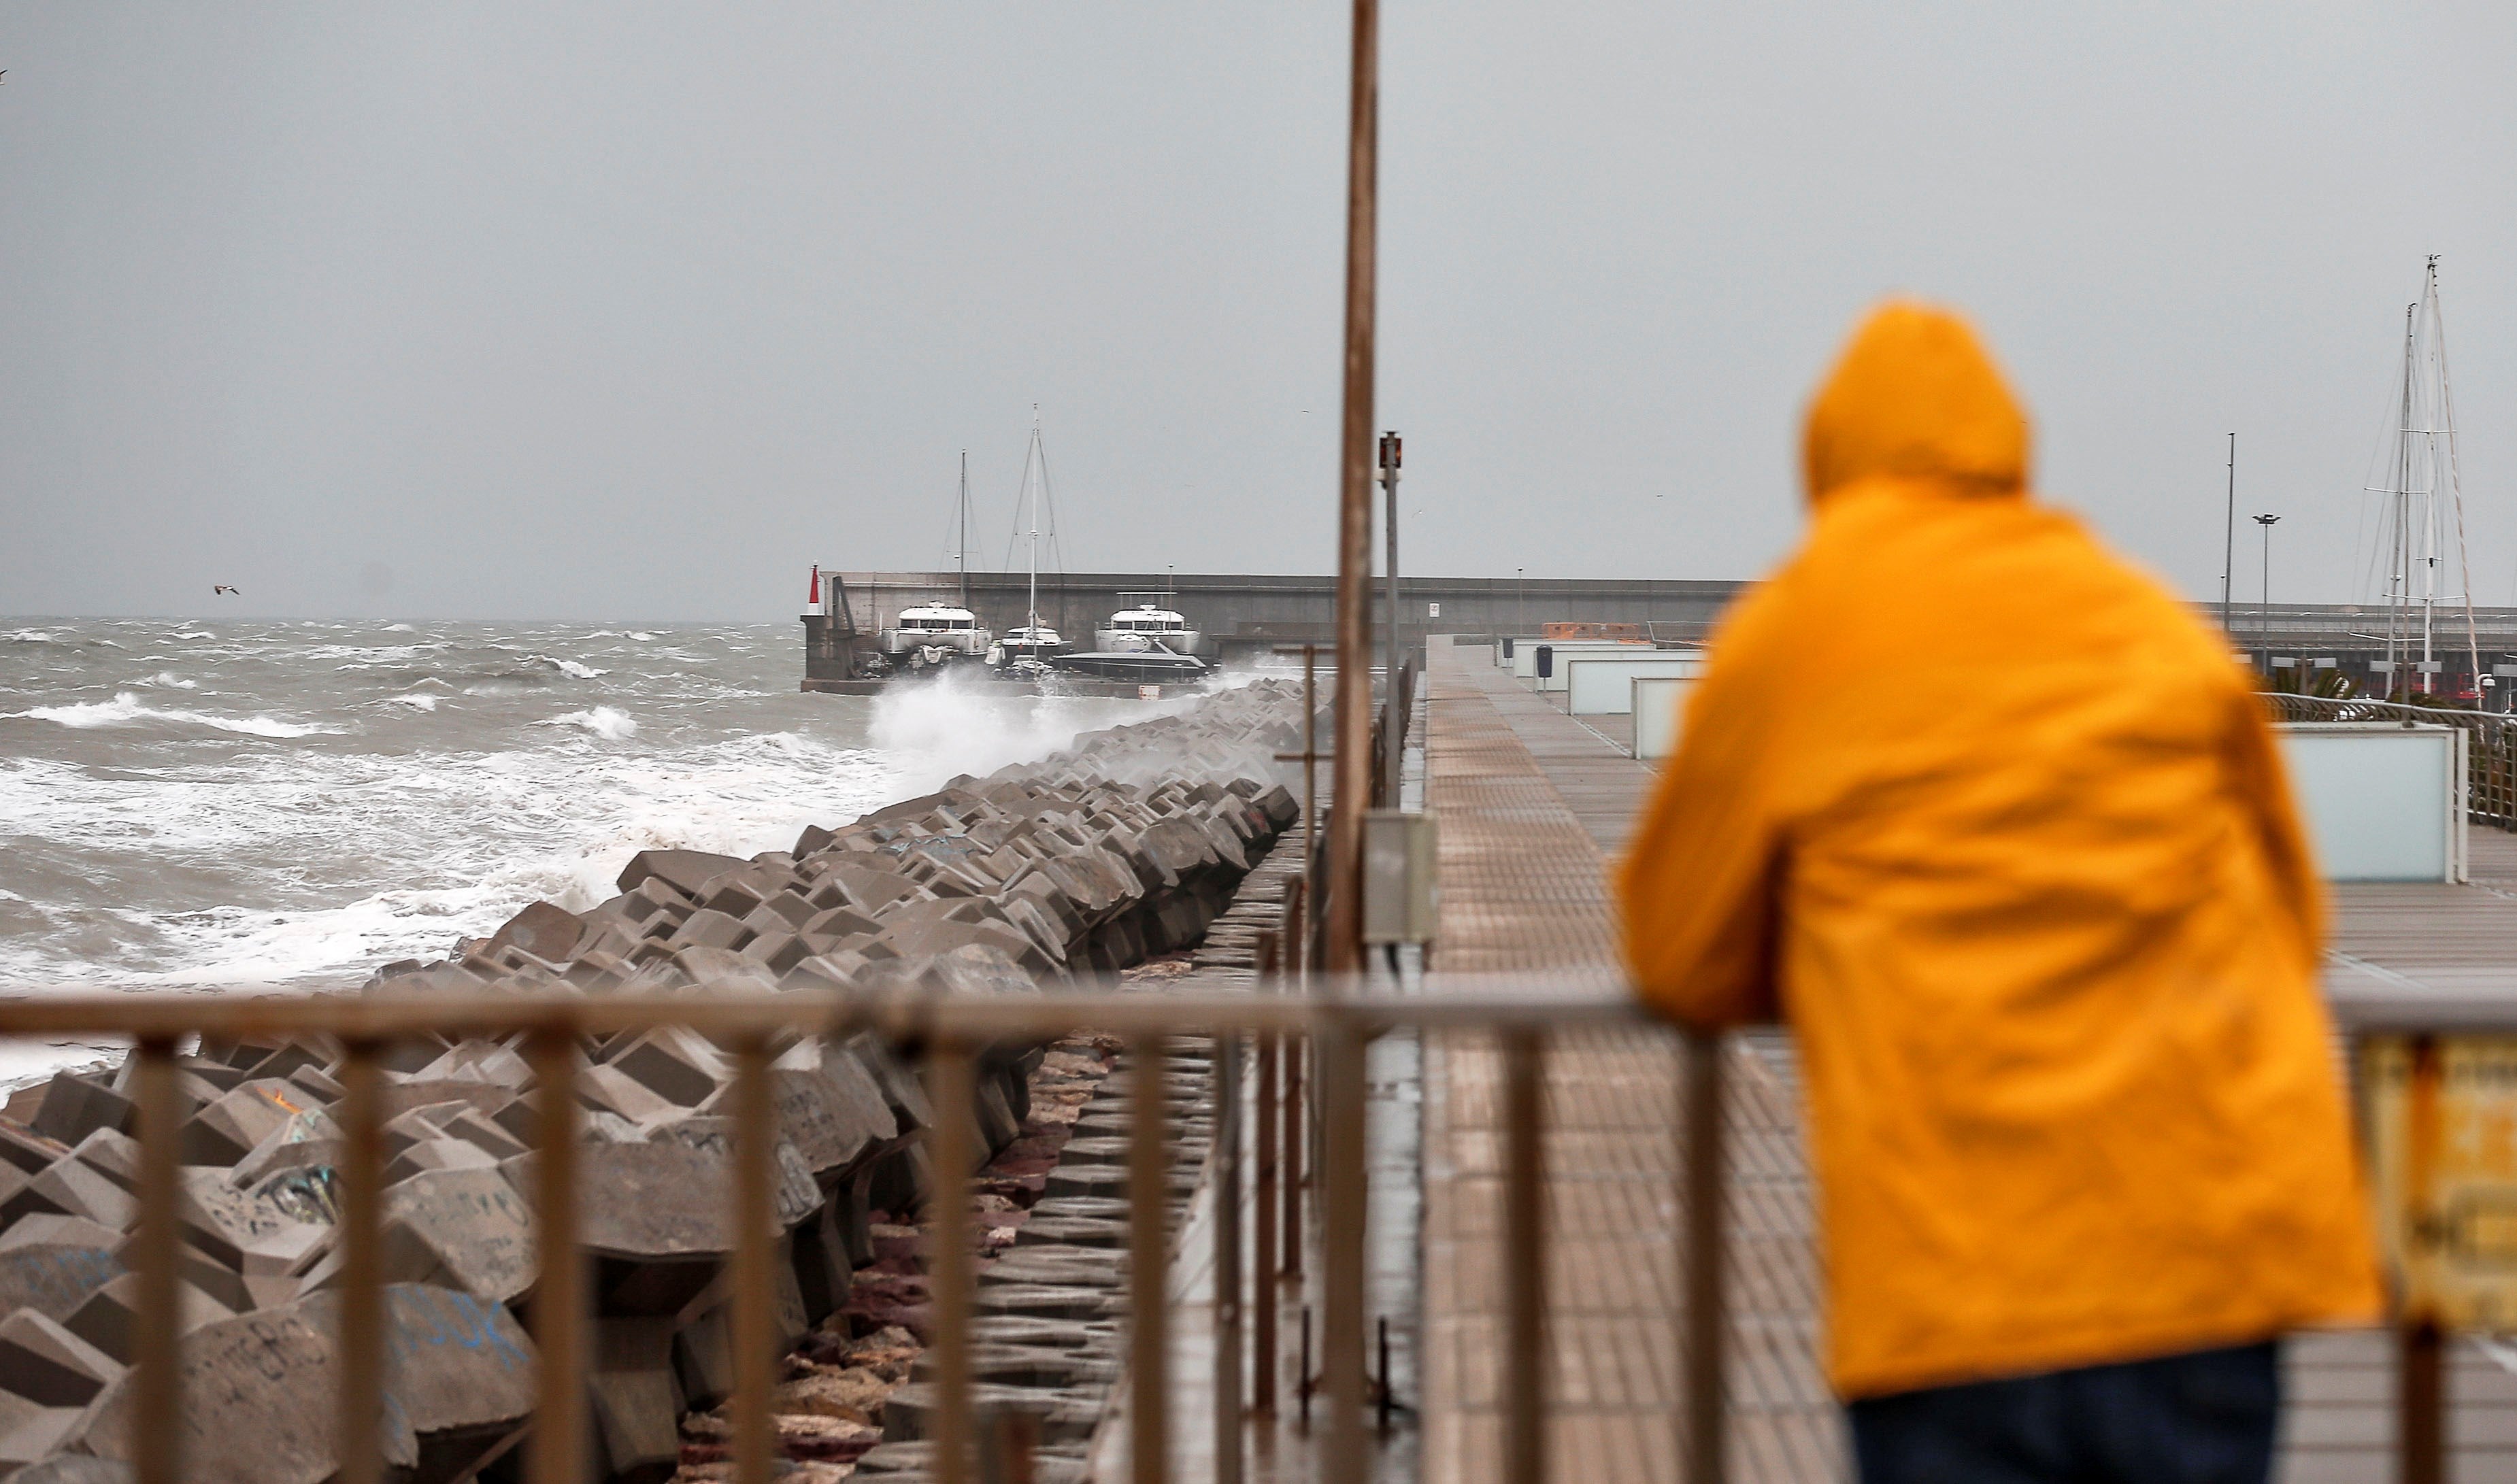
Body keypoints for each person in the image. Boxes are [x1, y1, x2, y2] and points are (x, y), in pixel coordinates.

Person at [1618, 302, 2378, 1483]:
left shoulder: (1797, 630)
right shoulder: (2146, 620)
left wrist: (1832, 953)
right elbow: (2296, 918)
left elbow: (1676, 952)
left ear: (1826, 460)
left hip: (1961, 1273)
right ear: (2006, 448)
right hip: (2210, 1254)